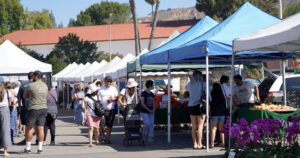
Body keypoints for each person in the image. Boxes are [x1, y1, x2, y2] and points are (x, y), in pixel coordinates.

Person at [23, 70, 48, 154]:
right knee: (41, 128)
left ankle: (28, 147)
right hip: (43, 108)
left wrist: (31, 98)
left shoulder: (31, 85)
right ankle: (40, 147)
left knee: (29, 127)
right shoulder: (45, 85)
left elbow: (25, 96)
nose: (32, 77)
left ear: (36, 76)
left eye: (33, 76)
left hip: (33, 108)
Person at [185, 70, 206, 149]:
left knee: (194, 126)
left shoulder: (189, 84)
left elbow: (187, 93)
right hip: (200, 106)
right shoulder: (203, 84)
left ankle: (194, 144)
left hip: (191, 105)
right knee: (200, 126)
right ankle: (200, 143)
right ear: (199, 76)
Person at [209, 75, 230, 148]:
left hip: (214, 112)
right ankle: (223, 142)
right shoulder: (222, 97)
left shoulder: (212, 96)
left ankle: (212, 143)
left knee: (213, 128)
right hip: (222, 112)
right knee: (221, 128)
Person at [98, 76, 118, 144]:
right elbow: (98, 99)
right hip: (102, 109)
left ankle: (108, 138)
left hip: (111, 110)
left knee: (109, 125)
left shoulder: (114, 89)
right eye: (107, 81)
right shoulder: (101, 89)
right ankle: (103, 135)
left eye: (110, 81)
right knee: (102, 125)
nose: (109, 83)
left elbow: (117, 98)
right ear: (104, 81)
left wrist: (113, 99)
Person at [17, 72, 34, 144]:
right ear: (33, 77)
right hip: (35, 107)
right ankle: (39, 141)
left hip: (25, 107)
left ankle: (27, 140)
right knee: (36, 124)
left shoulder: (23, 85)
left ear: (28, 77)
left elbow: (19, 98)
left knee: (27, 125)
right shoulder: (35, 85)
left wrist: (20, 107)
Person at [0, 80, 12, 156]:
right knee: (5, 130)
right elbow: (10, 102)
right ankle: (5, 151)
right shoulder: (7, 91)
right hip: (4, 109)